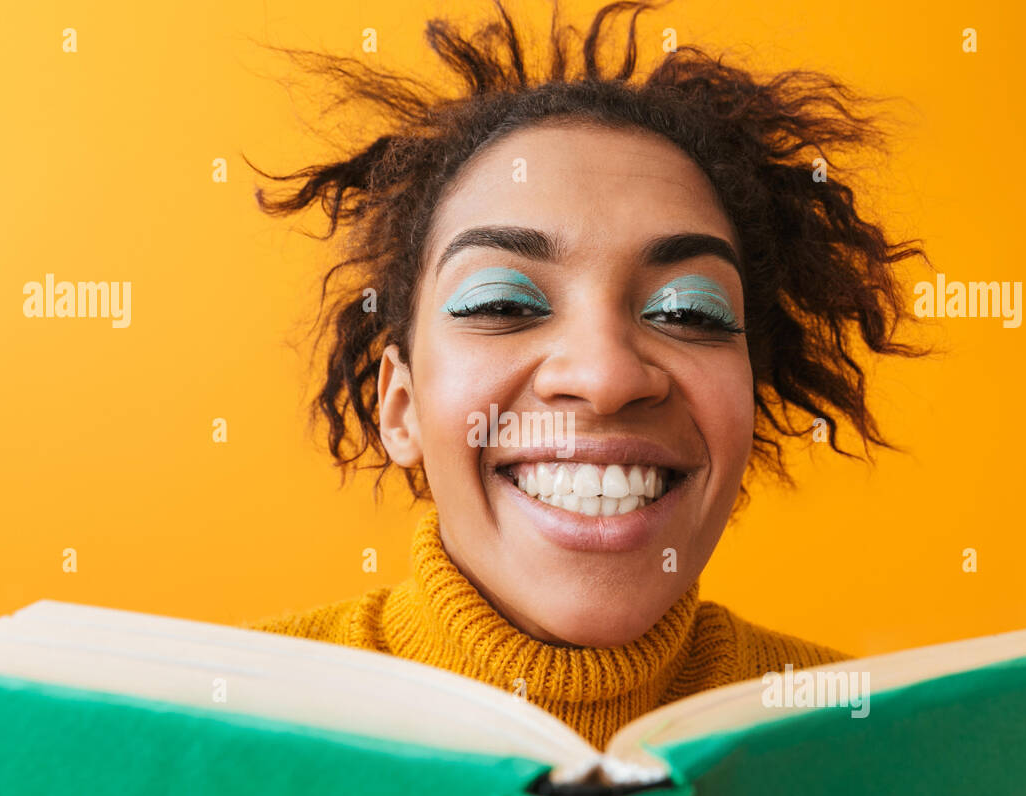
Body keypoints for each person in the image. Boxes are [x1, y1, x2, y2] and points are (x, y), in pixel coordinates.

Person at [244, 0, 927, 751]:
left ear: (748, 406)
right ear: (399, 408)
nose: (606, 377)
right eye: (503, 300)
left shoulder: (879, 751)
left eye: (690, 312)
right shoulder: (227, 733)